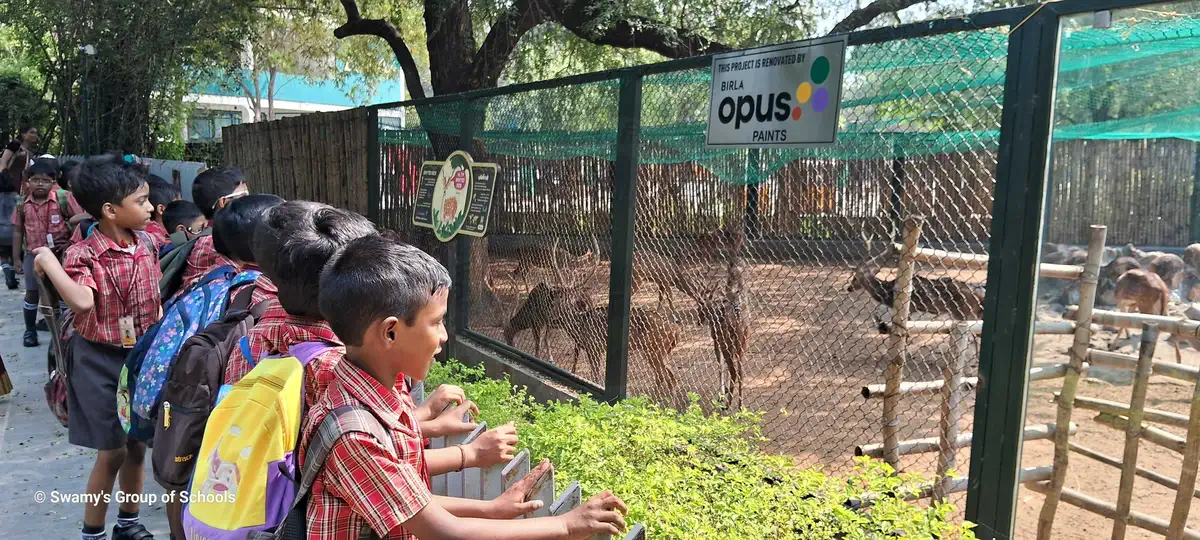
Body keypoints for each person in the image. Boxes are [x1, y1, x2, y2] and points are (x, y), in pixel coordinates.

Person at [304, 234, 629, 539]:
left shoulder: (379, 392)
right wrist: (564, 525)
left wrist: (491, 509)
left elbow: (413, 503)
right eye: (436, 322)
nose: (444, 336)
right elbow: (449, 532)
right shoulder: (356, 436)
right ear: (390, 333)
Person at [33, 154, 159, 540]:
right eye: (140, 201)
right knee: (113, 450)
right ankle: (92, 531)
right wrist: (48, 262)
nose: (151, 208)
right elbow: (83, 302)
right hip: (98, 360)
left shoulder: (149, 243)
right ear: (110, 211)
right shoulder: (82, 254)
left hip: (140, 358)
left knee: (137, 446)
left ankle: (128, 522)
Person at [13, 160, 79, 346]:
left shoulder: (63, 198)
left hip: (60, 253)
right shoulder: (21, 204)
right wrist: (16, 258)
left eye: (45, 180)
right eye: (35, 180)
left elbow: (80, 219)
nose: (40, 184)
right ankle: (30, 331)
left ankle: (65, 331)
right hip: (33, 255)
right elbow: (18, 230)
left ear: (53, 182)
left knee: (62, 292)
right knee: (33, 292)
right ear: (27, 182)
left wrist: (71, 245)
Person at [179, 167, 247, 291]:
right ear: (224, 202)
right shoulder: (212, 241)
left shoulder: (217, 234)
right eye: (244, 196)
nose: (249, 201)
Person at [0, 126, 38, 288]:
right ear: (24, 134)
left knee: (15, 226)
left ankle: (10, 266)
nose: (35, 135)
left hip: (20, 193)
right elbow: (2, 163)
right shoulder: (14, 146)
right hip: (8, 192)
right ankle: (8, 267)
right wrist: (5, 183)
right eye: (32, 132)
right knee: (7, 227)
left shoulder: (29, 152)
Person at [145, 175, 181, 248]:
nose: (182, 208)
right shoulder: (152, 232)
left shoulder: (165, 229)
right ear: (161, 209)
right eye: (178, 205)